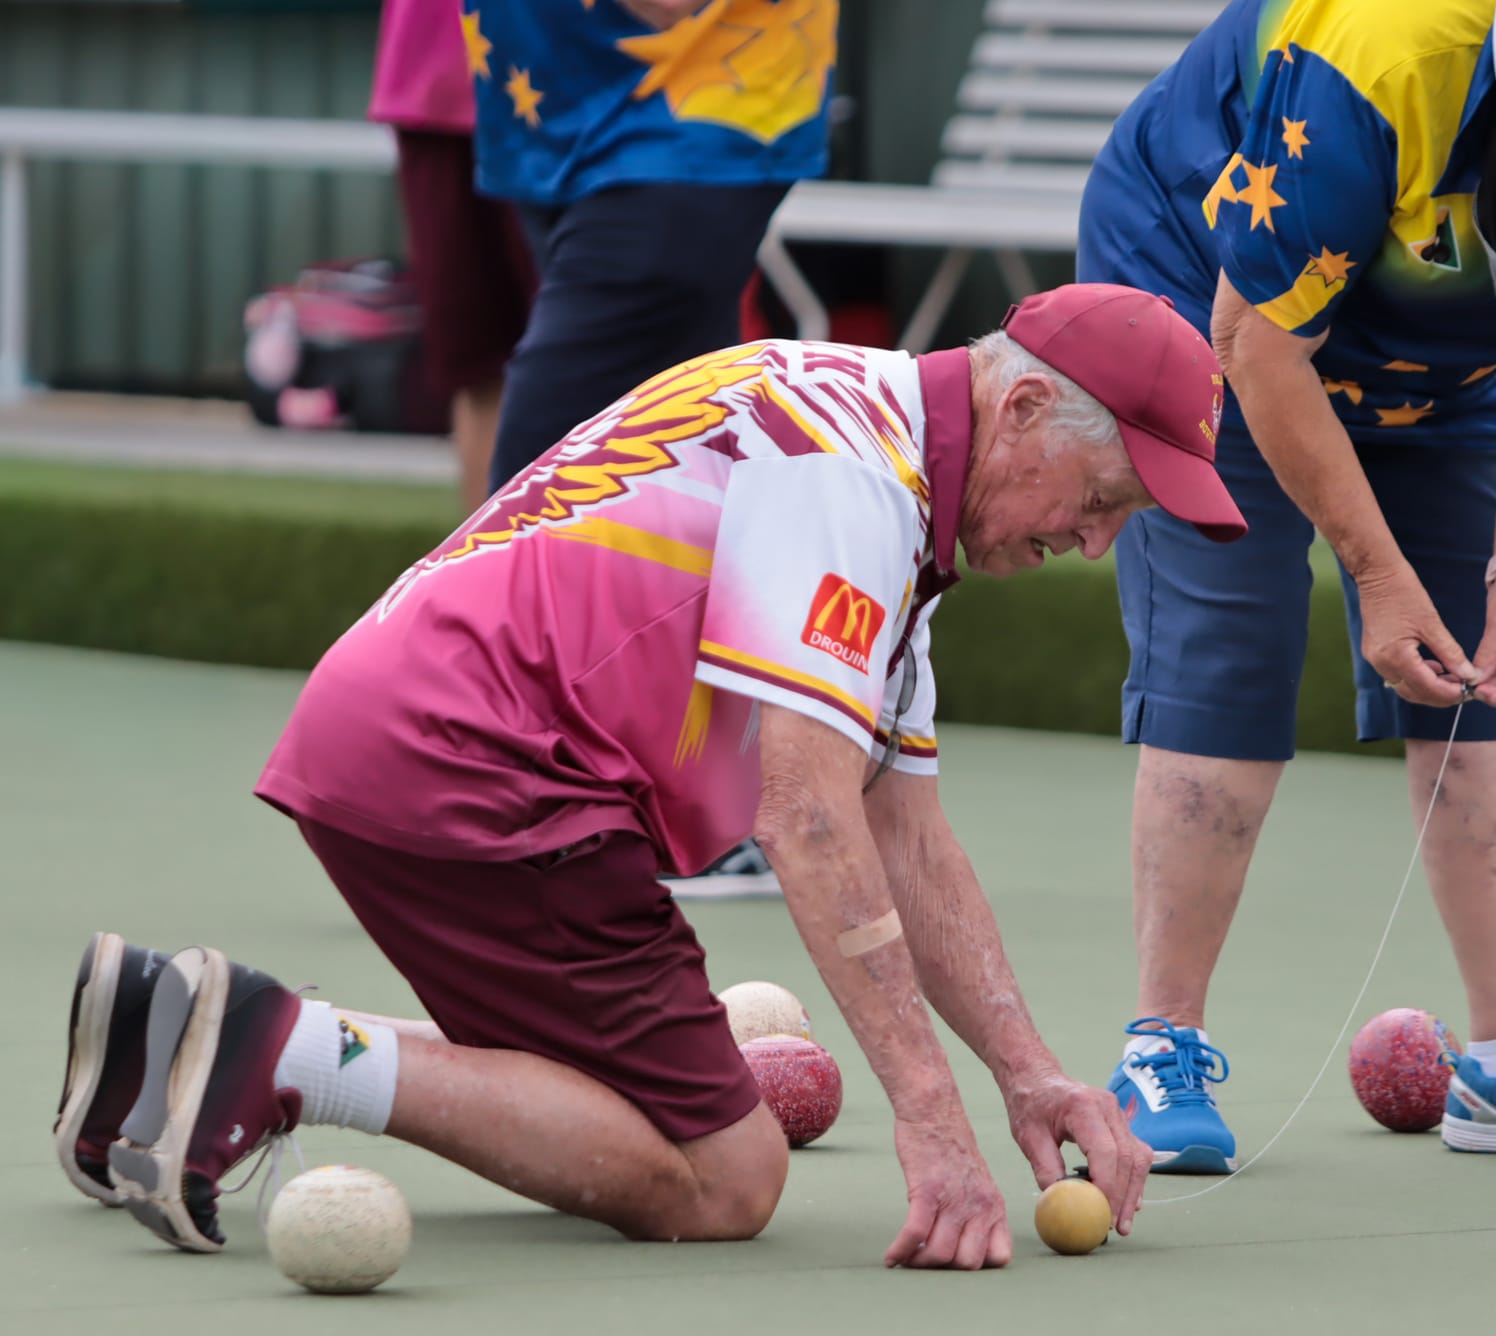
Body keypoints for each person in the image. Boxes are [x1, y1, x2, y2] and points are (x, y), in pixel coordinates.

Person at [54, 285, 1246, 1269]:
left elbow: (909, 841)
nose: (1091, 544)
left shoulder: (868, 445)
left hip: (410, 730)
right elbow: (808, 819)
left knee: (600, 1103)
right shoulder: (854, 478)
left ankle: (165, 1029)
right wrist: (932, 1118)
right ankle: (276, 1045)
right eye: (1099, 502)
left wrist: (1027, 1076)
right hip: (487, 766)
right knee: (724, 1174)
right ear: (1025, 404)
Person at [1074, 0, 1496, 1170]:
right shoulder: (1379, 65)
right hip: (1209, 297)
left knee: (1483, 676)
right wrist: (1377, 576)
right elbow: (1259, 344)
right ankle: (1157, 1050)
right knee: (1230, 643)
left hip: (1437, 348)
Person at [468, 0, 844, 895]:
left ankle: (473, 784)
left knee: (546, 467)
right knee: (675, 459)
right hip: (559, 103)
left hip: (692, 102)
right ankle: (697, 806)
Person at [367, 0, 537, 512]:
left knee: (612, 365)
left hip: (588, 85)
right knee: (479, 362)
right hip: (435, 76)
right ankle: (491, 578)